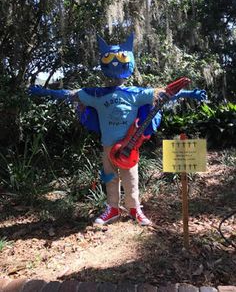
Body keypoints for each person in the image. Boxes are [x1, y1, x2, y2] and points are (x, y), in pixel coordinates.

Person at [29, 33, 207, 226]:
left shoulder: (136, 94)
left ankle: (134, 208)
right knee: (110, 177)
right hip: (108, 146)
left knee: (131, 178)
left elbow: (164, 93)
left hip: (130, 146)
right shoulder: (95, 94)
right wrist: (46, 92)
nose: (114, 63)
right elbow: (70, 95)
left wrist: (189, 93)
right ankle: (112, 208)